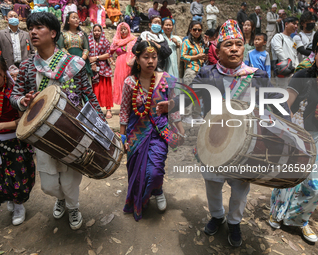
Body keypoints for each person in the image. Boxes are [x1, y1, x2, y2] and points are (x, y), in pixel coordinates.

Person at [164, 19, 290, 248]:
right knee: (212, 183)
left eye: (238, 44)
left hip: (246, 145)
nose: (234, 48)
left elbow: (274, 103)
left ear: (244, 47)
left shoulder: (257, 75)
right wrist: (172, 105)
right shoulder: (207, 73)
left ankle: (234, 221)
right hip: (212, 141)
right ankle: (217, 215)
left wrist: (287, 126)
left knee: (240, 188)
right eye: (228, 44)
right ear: (217, 49)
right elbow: (190, 97)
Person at [10, 12, 105, 230]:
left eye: (39, 27)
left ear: (53, 33)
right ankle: (59, 198)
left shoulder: (74, 64)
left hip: (72, 131)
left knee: (71, 176)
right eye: (31, 28)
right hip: (42, 135)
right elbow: (13, 98)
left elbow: (89, 96)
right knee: (50, 182)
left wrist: (101, 126)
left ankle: (72, 207)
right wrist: (22, 102)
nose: (33, 32)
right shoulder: (26, 67)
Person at [120, 40, 184, 221]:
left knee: (155, 172)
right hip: (136, 134)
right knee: (138, 172)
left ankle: (157, 188)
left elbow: (175, 107)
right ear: (137, 60)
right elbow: (124, 110)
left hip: (160, 132)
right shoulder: (130, 82)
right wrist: (123, 137)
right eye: (145, 57)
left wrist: (181, 130)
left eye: (154, 57)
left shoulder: (167, 80)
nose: (150, 61)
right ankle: (144, 197)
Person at [0, 42, 36, 226]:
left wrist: (0, 125)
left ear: (5, 72)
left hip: (15, 143)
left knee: (17, 176)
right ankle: (10, 200)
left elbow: (24, 121)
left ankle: (19, 205)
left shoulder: (13, 93)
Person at [269, 51, 318, 243]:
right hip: (298, 134)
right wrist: (292, 130)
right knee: (289, 178)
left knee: (314, 187)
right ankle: (277, 213)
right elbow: (283, 105)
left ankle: (298, 219)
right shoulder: (303, 76)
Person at [57, 11, 93, 78]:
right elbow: (61, 47)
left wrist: (82, 59)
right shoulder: (63, 34)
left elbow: (86, 48)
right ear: (68, 21)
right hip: (67, 61)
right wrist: (70, 58)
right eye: (73, 18)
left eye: (77, 18)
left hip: (82, 60)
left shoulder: (82, 34)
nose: (76, 20)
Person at [88, 24, 113, 119]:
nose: (96, 33)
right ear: (92, 31)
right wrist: (92, 61)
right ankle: (96, 110)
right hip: (93, 68)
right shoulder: (89, 41)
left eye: (98, 31)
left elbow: (108, 54)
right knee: (95, 90)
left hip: (104, 69)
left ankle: (108, 109)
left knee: (106, 90)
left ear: (101, 32)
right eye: (95, 30)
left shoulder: (105, 41)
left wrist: (96, 58)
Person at [110, 22, 136, 105]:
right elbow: (110, 52)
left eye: (125, 29)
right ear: (118, 31)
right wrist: (112, 61)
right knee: (121, 83)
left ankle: (131, 104)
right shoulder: (116, 41)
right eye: (121, 30)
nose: (123, 31)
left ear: (128, 30)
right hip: (120, 64)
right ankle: (123, 105)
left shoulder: (133, 40)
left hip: (130, 64)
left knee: (129, 83)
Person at [271, 16, 299, 88]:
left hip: (292, 72)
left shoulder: (292, 40)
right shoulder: (278, 37)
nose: (296, 26)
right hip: (283, 71)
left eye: (297, 25)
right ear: (286, 24)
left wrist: (297, 68)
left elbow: (295, 55)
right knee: (282, 93)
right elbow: (279, 51)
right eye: (294, 24)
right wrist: (288, 66)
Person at [181, 20, 208, 86]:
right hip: (191, 71)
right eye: (195, 29)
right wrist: (196, 57)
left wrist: (206, 46)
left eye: (199, 30)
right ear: (190, 30)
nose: (197, 32)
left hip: (201, 71)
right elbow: (182, 57)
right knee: (190, 94)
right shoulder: (186, 42)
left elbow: (204, 57)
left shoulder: (201, 43)